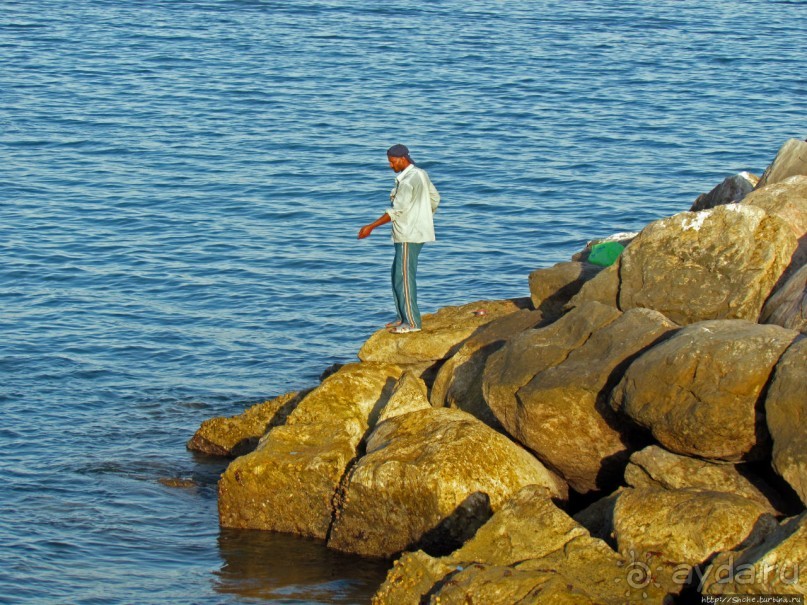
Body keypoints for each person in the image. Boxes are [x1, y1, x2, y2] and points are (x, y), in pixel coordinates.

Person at [358, 144, 440, 334]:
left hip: (408, 235)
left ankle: (412, 323)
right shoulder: (420, 174)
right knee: (397, 275)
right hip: (415, 232)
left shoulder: (408, 181)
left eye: (392, 162)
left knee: (404, 278)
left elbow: (396, 211)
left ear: (403, 159)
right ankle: (402, 317)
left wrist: (370, 227)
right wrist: (423, 217)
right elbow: (435, 198)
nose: (391, 166)